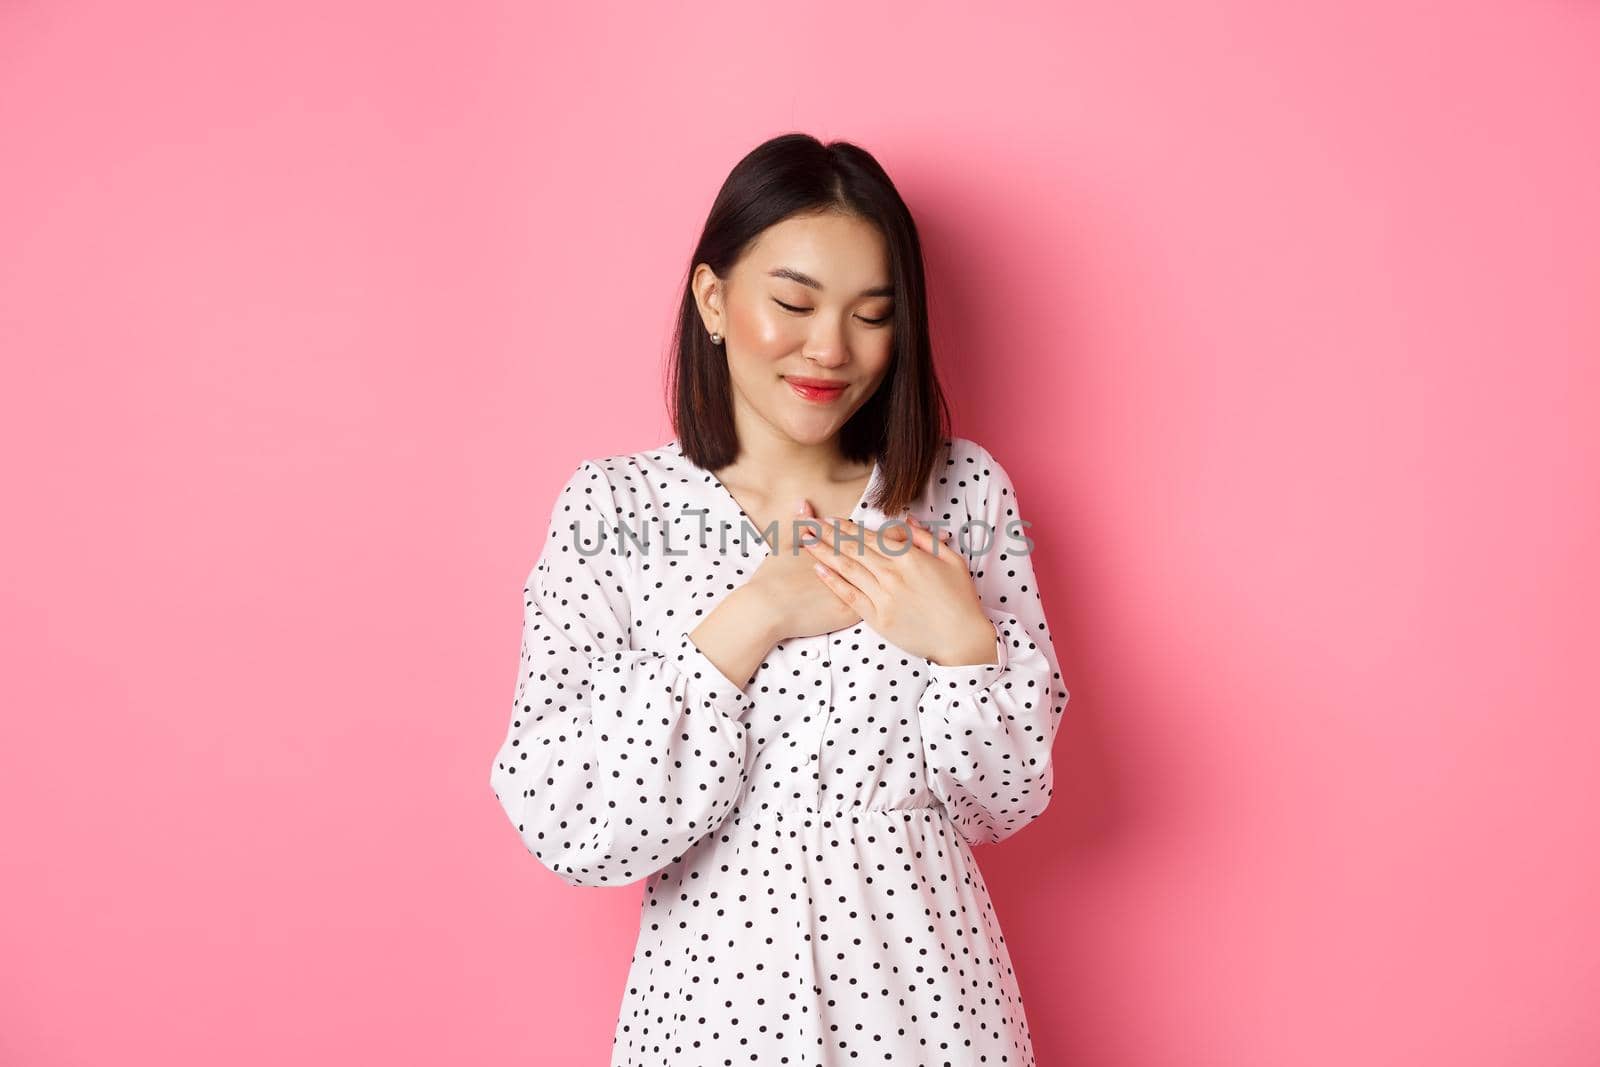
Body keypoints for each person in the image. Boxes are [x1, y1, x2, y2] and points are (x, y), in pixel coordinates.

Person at [489, 132, 1070, 1066]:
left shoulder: (963, 494)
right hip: (711, 1019)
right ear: (714, 299)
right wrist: (751, 616)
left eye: (873, 314)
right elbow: (568, 816)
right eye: (793, 302)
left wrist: (966, 647)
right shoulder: (614, 509)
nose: (830, 348)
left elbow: (1003, 801)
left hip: (931, 1015)